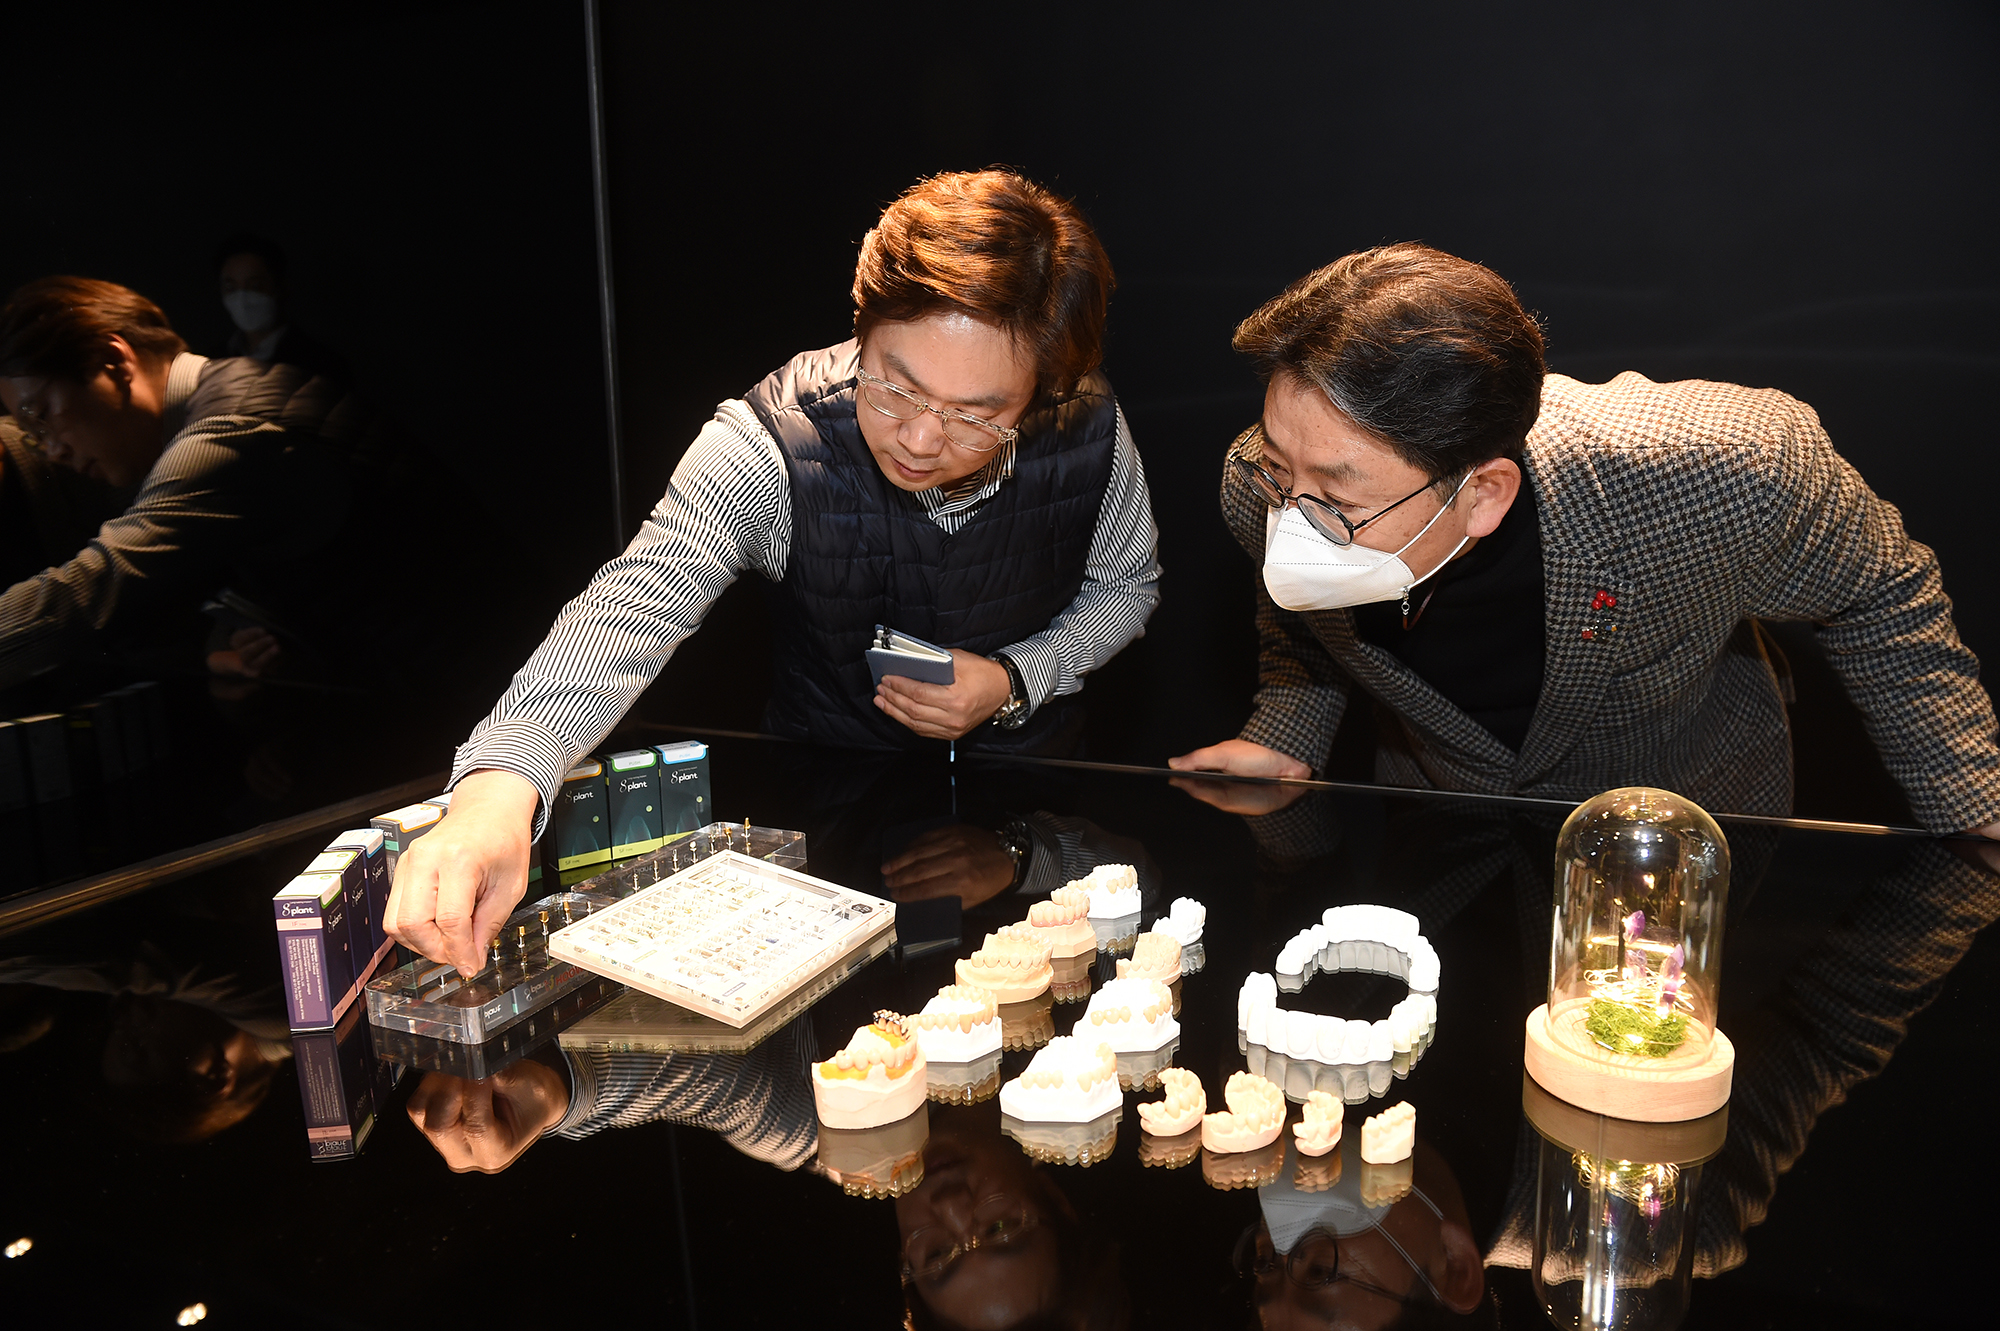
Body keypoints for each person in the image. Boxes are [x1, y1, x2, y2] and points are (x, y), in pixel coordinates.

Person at [391, 170, 1162, 974]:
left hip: (1036, 812)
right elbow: (630, 606)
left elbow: (1126, 586)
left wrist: (1013, 679)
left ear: (1038, 392)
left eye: (976, 416)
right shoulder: (772, 443)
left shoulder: (1088, 424)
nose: (921, 439)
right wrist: (496, 789)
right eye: (895, 386)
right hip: (832, 825)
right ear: (862, 324)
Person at [1168, 244, 2000, 844]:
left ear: (1484, 492)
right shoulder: (1262, 483)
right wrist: (1286, 731)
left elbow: (1879, 594)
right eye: (1282, 468)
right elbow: (1298, 605)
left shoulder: (1726, 474)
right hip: (1445, 830)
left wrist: (1973, 808)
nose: (1293, 519)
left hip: (1685, 835)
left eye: (1341, 498)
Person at [0, 276, 393, 692]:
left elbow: (90, 592)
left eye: (39, 416)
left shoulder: (229, 435)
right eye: (33, 435)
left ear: (112, 361)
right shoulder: (227, 396)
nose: (52, 451)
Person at [212, 232, 351, 383]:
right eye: (231, 287)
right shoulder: (212, 362)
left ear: (281, 287)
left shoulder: (320, 365)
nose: (242, 298)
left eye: (255, 286)